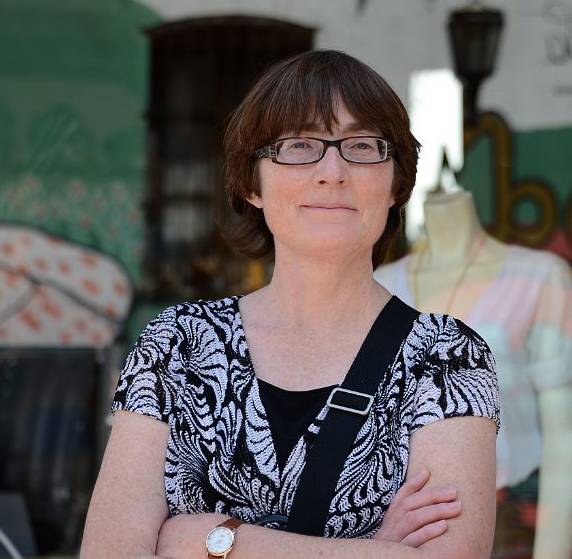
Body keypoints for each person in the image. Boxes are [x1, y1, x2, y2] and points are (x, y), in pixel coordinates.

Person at [82, 50, 500, 558]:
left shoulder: (447, 358)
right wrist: (375, 551)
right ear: (250, 183)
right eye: (299, 145)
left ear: (395, 183)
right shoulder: (176, 345)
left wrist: (209, 541)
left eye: (362, 145)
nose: (332, 170)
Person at [376, 189, 572, 559]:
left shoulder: (538, 277)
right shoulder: (378, 285)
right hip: (392, 529)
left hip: (502, 522)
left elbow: (564, 437)